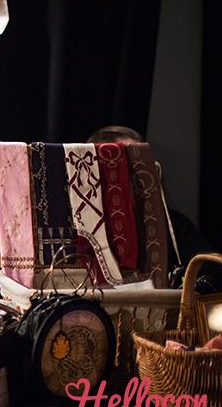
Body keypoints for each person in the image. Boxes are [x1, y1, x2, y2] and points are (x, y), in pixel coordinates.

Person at [87, 125, 220, 294]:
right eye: (134, 162)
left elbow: (213, 271)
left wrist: (176, 278)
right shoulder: (82, 225)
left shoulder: (172, 224)